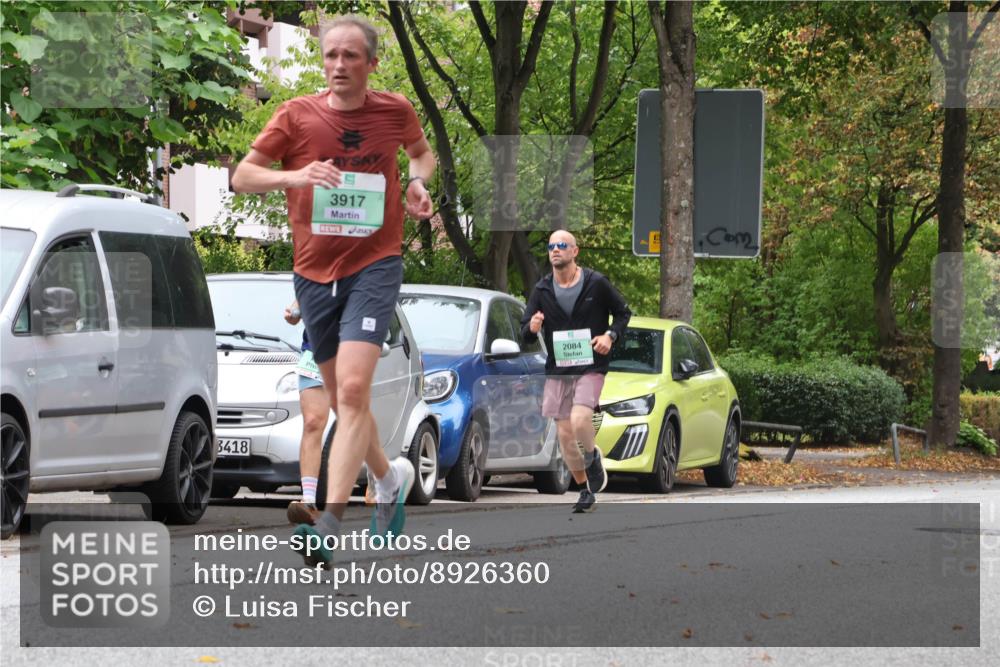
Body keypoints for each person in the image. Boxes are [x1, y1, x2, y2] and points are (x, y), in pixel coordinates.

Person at [232, 14, 436, 567]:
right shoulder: (296, 115)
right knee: (350, 403)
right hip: (313, 273)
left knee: (350, 390)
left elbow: (421, 153)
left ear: (372, 63)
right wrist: (296, 176)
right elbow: (243, 176)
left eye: (351, 56)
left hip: (376, 264)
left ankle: (328, 522)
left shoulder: (394, 110)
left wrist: (417, 182)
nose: (339, 65)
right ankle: (387, 477)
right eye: (331, 55)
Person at [520, 230, 631, 513]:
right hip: (559, 370)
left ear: (575, 251)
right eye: (551, 246)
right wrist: (532, 327)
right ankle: (584, 490)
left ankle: (592, 458)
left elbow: (623, 313)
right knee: (565, 435)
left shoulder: (596, 283)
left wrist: (610, 336)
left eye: (561, 245)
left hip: (590, 365)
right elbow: (526, 333)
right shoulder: (542, 289)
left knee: (581, 419)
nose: (555, 250)